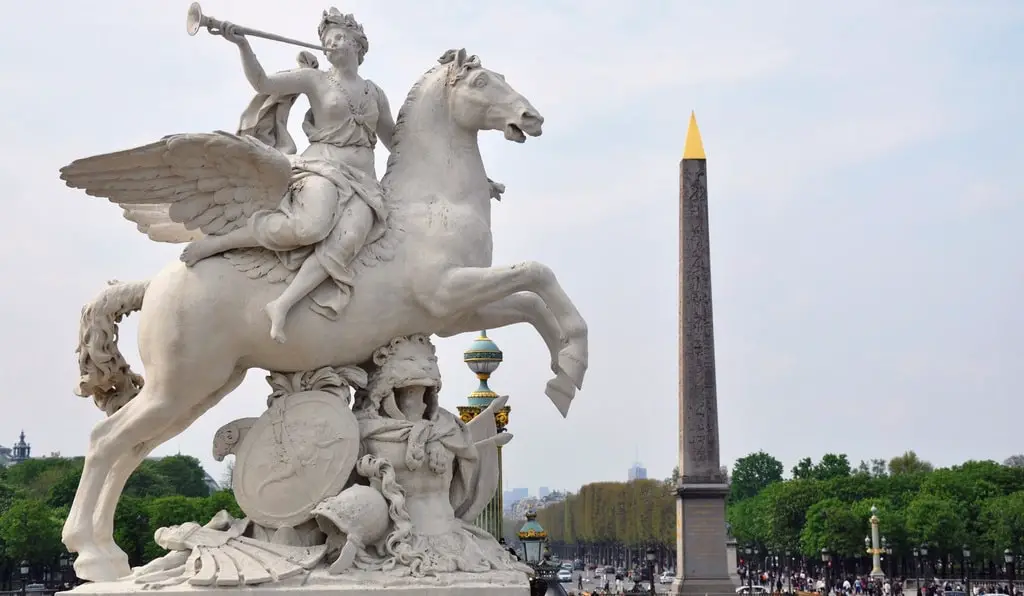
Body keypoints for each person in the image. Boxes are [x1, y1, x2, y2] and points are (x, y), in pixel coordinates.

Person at [180, 8, 395, 343]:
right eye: (328, 40)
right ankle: (218, 244)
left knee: (348, 240)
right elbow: (263, 83)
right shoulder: (316, 80)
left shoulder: (374, 92)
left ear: (357, 44)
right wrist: (242, 45)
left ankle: (281, 305)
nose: (333, 44)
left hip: (364, 183)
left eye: (340, 38)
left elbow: (394, 140)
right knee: (310, 226)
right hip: (322, 169)